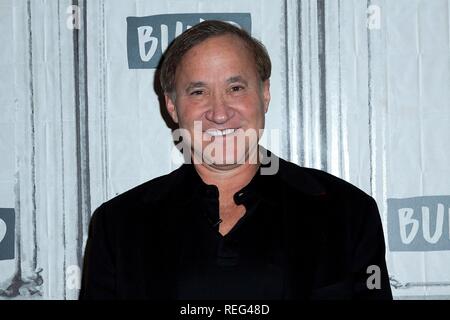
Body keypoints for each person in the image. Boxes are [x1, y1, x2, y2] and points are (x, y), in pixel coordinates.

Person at [79, 20, 392, 300]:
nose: (219, 113)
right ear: (172, 106)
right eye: (198, 92)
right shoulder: (118, 226)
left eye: (235, 88)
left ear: (264, 93)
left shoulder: (348, 212)